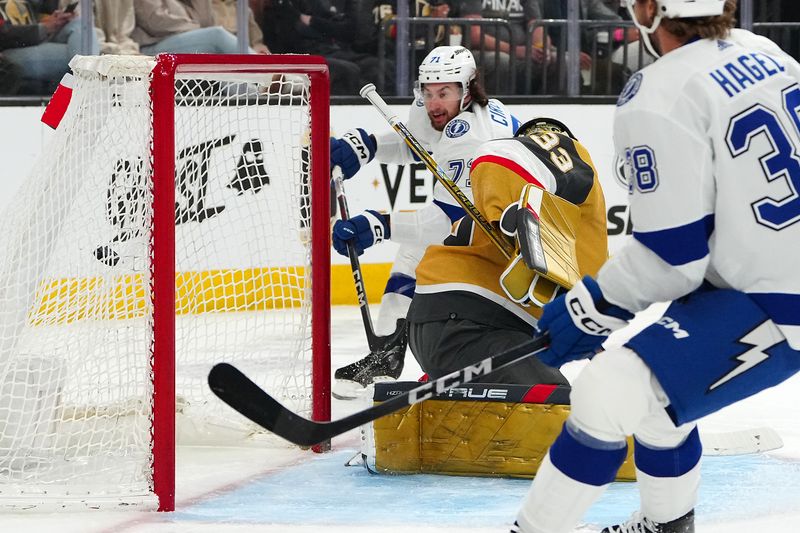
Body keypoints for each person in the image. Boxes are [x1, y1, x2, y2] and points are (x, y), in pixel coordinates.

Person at [512, 1, 800, 532]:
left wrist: (590, 305)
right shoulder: (765, 50)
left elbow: (674, 260)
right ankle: (668, 525)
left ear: (650, 10)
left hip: (776, 295)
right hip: (763, 276)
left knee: (607, 391)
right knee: (658, 399)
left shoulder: (659, 91)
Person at [330, 45, 519, 396]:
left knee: (432, 278)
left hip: (503, 241)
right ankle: (386, 357)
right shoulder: (441, 110)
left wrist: (378, 224)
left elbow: (448, 221)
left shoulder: (474, 135)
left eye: (444, 93)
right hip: (479, 225)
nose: (433, 103)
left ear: (468, 89)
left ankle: (459, 363)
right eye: (427, 92)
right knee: (408, 261)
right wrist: (367, 146)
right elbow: (417, 143)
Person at [406, 117, 608, 385]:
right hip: (474, 323)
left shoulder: (582, 238)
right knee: (554, 409)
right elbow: (499, 155)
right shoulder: (569, 150)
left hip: (448, 325)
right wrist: (513, 207)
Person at [0, 0, 99, 95]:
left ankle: (85, 94)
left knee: (81, 25)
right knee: (82, 53)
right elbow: (3, 34)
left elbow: (30, 19)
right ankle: (89, 96)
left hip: (35, 39)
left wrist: (52, 21)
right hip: (9, 50)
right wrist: (44, 28)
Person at [131, 0, 243, 55]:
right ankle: (261, 72)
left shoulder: (183, 3)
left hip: (180, 42)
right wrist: (194, 27)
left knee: (220, 62)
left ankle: (251, 96)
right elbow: (154, 22)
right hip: (151, 46)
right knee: (217, 35)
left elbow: (206, 23)